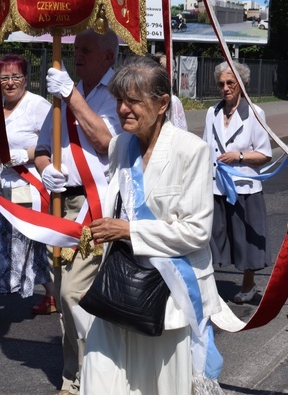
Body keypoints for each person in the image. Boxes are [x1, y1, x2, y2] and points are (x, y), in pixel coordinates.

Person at [80, 56, 223, 393]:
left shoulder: (192, 150)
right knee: (99, 381)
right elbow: (115, 204)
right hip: (118, 289)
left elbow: (197, 232)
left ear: (161, 105)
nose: (123, 109)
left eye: (134, 101)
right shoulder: (122, 145)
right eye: (119, 100)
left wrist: (129, 231)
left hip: (170, 298)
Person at [35, 28, 121, 395]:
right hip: (59, 203)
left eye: (86, 49)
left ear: (108, 56)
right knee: (61, 295)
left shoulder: (119, 91)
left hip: (94, 205)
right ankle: (74, 376)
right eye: (77, 48)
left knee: (75, 293)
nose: (77, 54)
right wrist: (44, 170)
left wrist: (70, 94)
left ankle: (95, 376)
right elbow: (41, 147)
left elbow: (106, 143)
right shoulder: (64, 90)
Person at [204, 62, 272, 303]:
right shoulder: (211, 112)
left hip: (244, 188)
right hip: (216, 187)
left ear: (241, 85)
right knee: (212, 238)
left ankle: (248, 286)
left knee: (246, 241)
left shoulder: (254, 113)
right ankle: (208, 288)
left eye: (230, 83)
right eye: (221, 84)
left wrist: (239, 156)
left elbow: (265, 155)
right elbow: (205, 150)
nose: (225, 88)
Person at [0, 55, 55, 312]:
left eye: (15, 77)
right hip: (2, 183)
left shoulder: (37, 106)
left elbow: (55, 142)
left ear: (25, 79)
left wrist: (22, 155)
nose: (10, 83)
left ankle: (53, 294)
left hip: (26, 184)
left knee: (31, 243)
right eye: (4, 78)